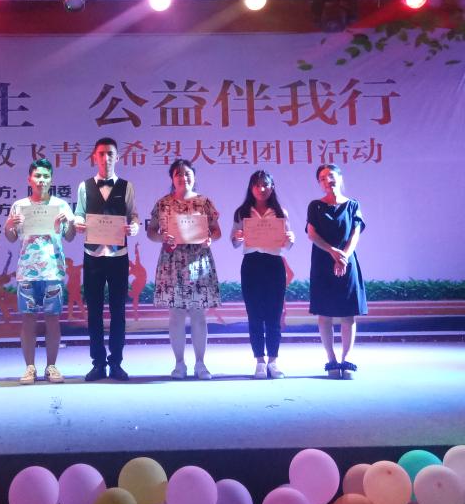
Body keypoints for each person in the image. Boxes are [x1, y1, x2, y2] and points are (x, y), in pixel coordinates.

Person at [146, 158, 222, 380]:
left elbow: (216, 231)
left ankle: (200, 363)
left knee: (198, 314)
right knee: (176, 315)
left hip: (198, 262)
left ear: (194, 176)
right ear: (172, 178)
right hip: (172, 262)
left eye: (187, 173)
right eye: (178, 174)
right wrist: (161, 238)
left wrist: (210, 238)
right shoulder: (163, 203)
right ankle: (179, 364)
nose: (183, 177)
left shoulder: (204, 202)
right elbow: (151, 232)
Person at [3, 158, 77, 384]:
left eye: (45, 176)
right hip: (27, 270)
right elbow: (11, 237)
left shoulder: (61, 206)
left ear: (51, 179)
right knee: (28, 319)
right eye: (37, 176)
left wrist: (69, 222)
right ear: (29, 179)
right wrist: (9, 225)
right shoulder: (19, 206)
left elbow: (70, 237)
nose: (41, 180)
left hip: (53, 270)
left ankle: (51, 367)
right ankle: (30, 367)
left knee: (53, 319)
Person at [73, 138, 140, 381]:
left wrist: (134, 227)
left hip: (118, 256)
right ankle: (98, 363)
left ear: (117, 157)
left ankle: (117, 363)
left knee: (118, 311)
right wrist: (78, 223)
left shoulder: (127, 186)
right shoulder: (84, 186)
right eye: (101, 153)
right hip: (92, 256)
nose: (106, 158)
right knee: (94, 312)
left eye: (110, 153)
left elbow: (133, 216)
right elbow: (79, 214)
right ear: (94, 157)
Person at [230, 170, 296, 380]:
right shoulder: (242, 212)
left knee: (274, 315)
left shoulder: (281, 212)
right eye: (257, 185)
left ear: (272, 186)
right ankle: (259, 361)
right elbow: (234, 243)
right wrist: (238, 236)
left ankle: (273, 361)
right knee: (255, 315)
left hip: (274, 264)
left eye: (265, 184)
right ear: (251, 188)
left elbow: (287, 245)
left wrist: (290, 239)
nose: (261, 189)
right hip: (251, 264)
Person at [306, 163, 367, 379]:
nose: (327, 181)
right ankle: (331, 359)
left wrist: (344, 257)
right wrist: (333, 252)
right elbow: (312, 234)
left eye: (330, 176)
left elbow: (355, 234)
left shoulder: (352, 205)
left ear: (340, 178)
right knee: (325, 314)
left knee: (348, 313)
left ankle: (346, 359)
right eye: (322, 178)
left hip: (347, 262)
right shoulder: (315, 206)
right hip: (323, 262)